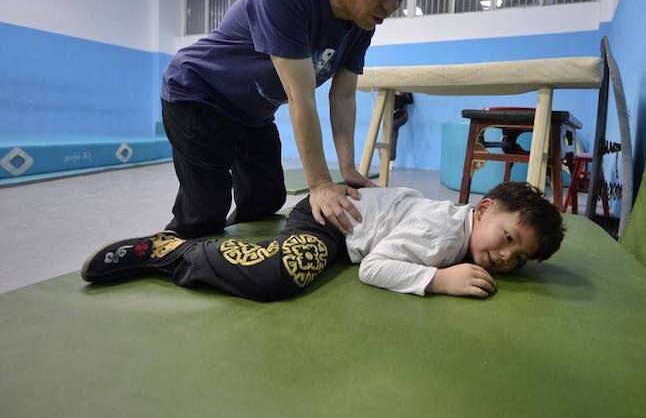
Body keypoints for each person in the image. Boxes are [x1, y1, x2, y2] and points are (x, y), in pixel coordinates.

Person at [159, 0, 420, 240]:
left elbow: (342, 96)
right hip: (198, 92)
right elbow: (301, 97)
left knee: (266, 199)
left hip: (251, 114)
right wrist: (321, 183)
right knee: (205, 211)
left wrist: (348, 168)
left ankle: (229, 256)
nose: (391, 5)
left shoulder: (361, 25)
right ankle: (165, 252)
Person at [81, 182, 566, 301]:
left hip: (350, 222)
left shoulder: (459, 229)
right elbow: (375, 267)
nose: (505, 256)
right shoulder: (442, 235)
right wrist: (437, 279)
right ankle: (169, 251)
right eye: (508, 238)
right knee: (281, 275)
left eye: (518, 259)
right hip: (326, 219)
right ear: (481, 209)